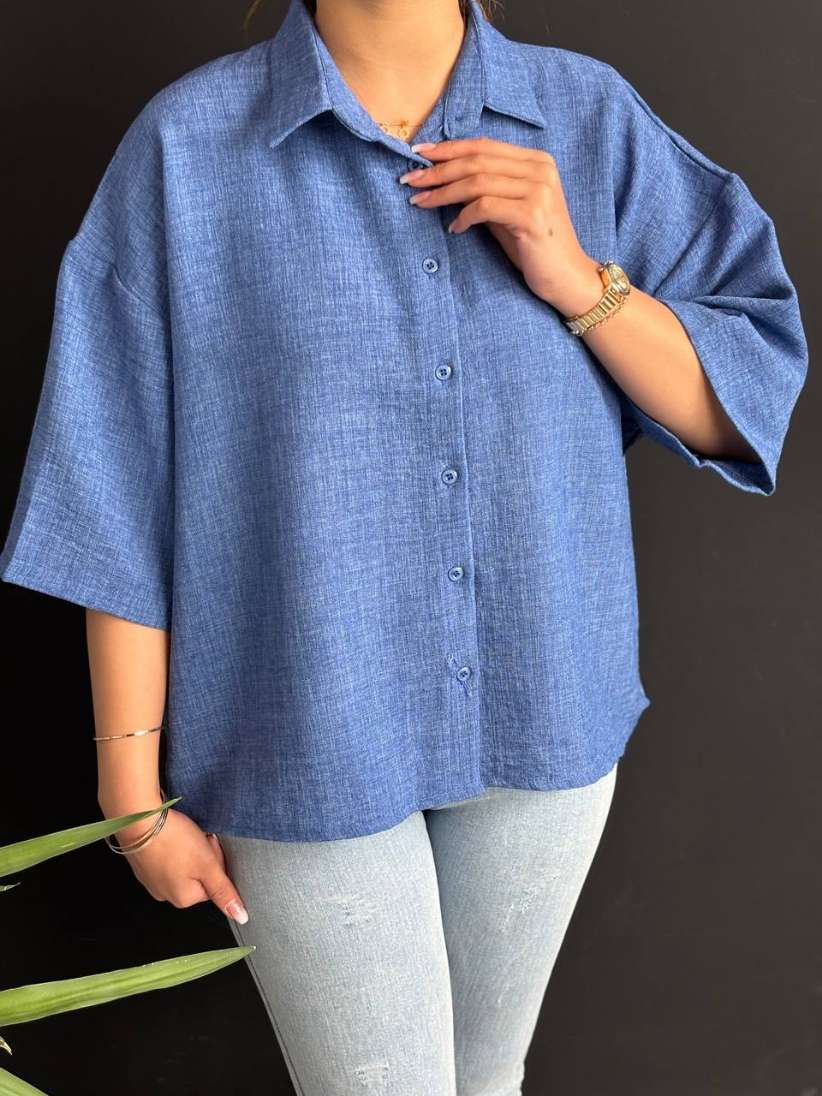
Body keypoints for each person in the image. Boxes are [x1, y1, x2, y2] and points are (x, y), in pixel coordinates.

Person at [0, 0, 808, 1091]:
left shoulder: (589, 117)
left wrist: (578, 276)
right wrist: (129, 794)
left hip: (545, 716)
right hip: (301, 735)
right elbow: (115, 488)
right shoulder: (187, 151)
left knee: (487, 1082)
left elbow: (737, 396)